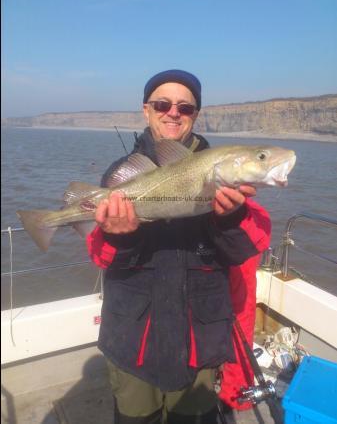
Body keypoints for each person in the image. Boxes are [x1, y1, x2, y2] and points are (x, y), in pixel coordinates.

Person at [87, 69, 271, 423]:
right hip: (132, 336)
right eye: (163, 104)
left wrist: (230, 218)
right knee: (135, 416)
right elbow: (99, 254)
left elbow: (248, 247)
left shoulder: (224, 169)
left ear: (195, 115)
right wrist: (119, 234)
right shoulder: (121, 173)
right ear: (146, 110)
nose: (174, 112)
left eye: (185, 108)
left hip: (198, 339)